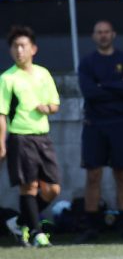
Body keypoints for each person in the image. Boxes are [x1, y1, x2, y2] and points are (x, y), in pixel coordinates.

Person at [76, 20, 123, 242]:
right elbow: (89, 92)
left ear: (113, 34)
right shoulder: (86, 63)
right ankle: (90, 226)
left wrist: (103, 85)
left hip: (121, 123)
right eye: (99, 32)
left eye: (106, 32)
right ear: (94, 36)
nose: (103, 35)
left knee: (122, 173)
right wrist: (114, 86)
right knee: (93, 175)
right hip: (94, 125)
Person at [0, 25, 61, 248]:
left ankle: (19, 221)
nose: (19, 50)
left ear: (33, 49)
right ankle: (36, 233)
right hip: (20, 137)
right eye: (15, 46)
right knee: (29, 186)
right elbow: (2, 113)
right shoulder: (7, 79)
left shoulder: (43, 74)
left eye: (23, 46)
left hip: (42, 137)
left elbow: (55, 104)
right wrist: (1, 143)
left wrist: (47, 108)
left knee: (53, 189)